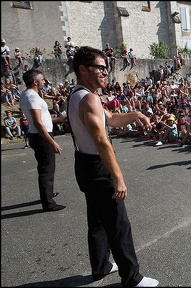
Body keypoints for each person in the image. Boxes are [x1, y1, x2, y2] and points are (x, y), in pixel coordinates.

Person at [67, 46, 159, 287]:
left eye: (106, 68)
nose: (105, 72)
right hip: (97, 167)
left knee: (97, 220)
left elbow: (111, 119)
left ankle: (101, 266)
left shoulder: (78, 94)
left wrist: (137, 114)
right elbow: (101, 140)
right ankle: (132, 278)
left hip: (84, 164)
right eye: (100, 67)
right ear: (83, 69)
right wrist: (117, 176)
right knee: (118, 224)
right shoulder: (89, 98)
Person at [19, 69, 66, 212]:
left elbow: (42, 119)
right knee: (46, 169)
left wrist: (61, 119)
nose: (44, 81)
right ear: (35, 82)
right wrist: (52, 142)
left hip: (38, 135)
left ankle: (48, 194)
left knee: (45, 167)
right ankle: (48, 203)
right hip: (42, 137)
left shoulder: (27, 95)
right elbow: (38, 123)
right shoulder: (32, 97)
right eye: (42, 79)